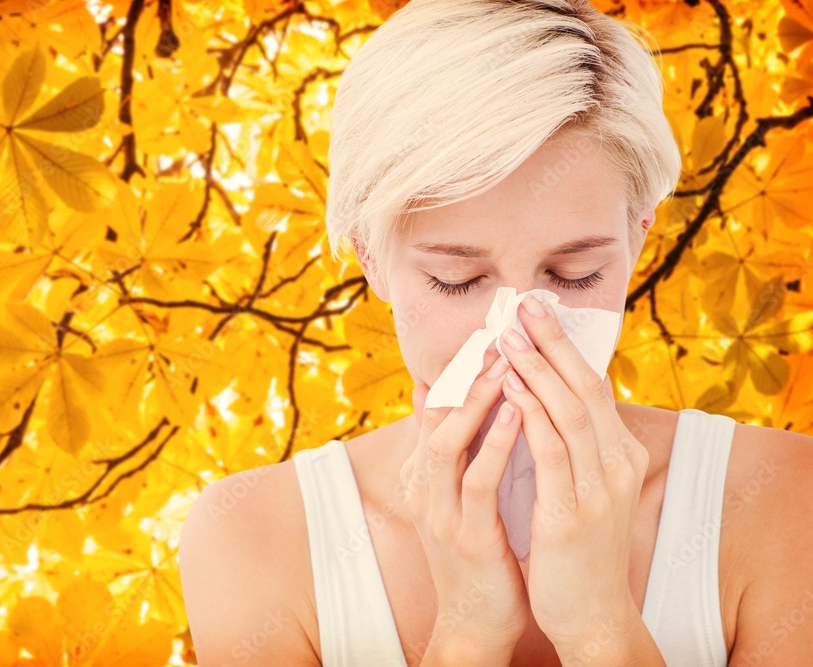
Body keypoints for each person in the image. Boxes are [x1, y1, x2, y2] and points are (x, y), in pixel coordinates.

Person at [178, 0, 813, 665]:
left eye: (574, 272)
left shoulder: (782, 500)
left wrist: (600, 621)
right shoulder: (252, 535)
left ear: (638, 240)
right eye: (457, 279)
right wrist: (469, 629)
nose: (518, 333)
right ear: (370, 257)